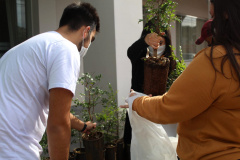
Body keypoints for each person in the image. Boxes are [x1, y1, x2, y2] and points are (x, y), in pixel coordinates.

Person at [121, 0, 240, 159]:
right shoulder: (140, 54)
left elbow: (168, 107)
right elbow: (131, 52)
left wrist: (136, 101)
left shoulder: (215, 61)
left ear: (226, 14)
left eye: (213, 16)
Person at [0, 2, 100, 160]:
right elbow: (58, 123)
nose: (87, 46)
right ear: (86, 31)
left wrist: (83, 126)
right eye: (91, 40)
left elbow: (58, 110)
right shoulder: (66, 49)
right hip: (13, 150)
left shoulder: (29, 47)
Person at [123, 20, 176, 158]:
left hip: (162, 114)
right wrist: (144, 41)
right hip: (139, 111)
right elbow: (130, 52)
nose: (156, 46)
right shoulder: (140, 56)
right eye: (152, 42)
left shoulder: (171, 63)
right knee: (140, 150)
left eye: (160, 42)